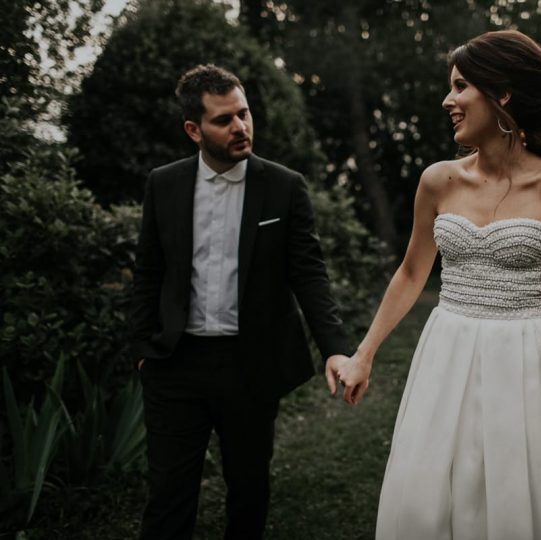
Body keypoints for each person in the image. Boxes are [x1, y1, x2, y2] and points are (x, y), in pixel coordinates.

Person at [333, 30, 541, 538]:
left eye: (461, 86)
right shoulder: (438, 180)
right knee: (429, 502)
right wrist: (364, 354)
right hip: (445, 355)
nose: (449, 100)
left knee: (515, 504)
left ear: (503, 94)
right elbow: (410, 273)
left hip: (526, 362)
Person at [130, 64, 351, 540]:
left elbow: (309, 274)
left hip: (250, 363)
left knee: (248, 492)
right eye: (224, 120)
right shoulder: (164, 184)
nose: (240, 127)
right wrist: (142, 349)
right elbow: (147, 272)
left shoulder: (284, 186)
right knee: (168, 497)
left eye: (244, 114)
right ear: (194, 130)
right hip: (176, 364)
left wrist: (334, 346)